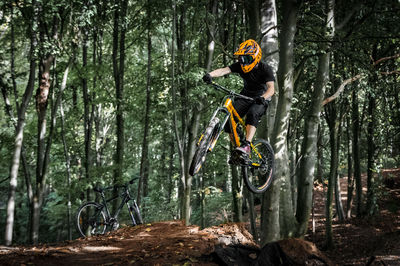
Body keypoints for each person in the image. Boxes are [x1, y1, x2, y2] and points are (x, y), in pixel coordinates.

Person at [202, 39, 275, 156]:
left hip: (261, 97)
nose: (244, 62)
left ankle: (246, 145)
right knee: (229, 121)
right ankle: (238, 150)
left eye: (247, 59)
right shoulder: (240, 66)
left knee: (253, 113)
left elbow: (271, 89)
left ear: (256, 57)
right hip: (245, 96)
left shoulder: (265, 68)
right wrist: (210, 75)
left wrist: (263, 97)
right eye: (241, 59)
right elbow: (223, 70)